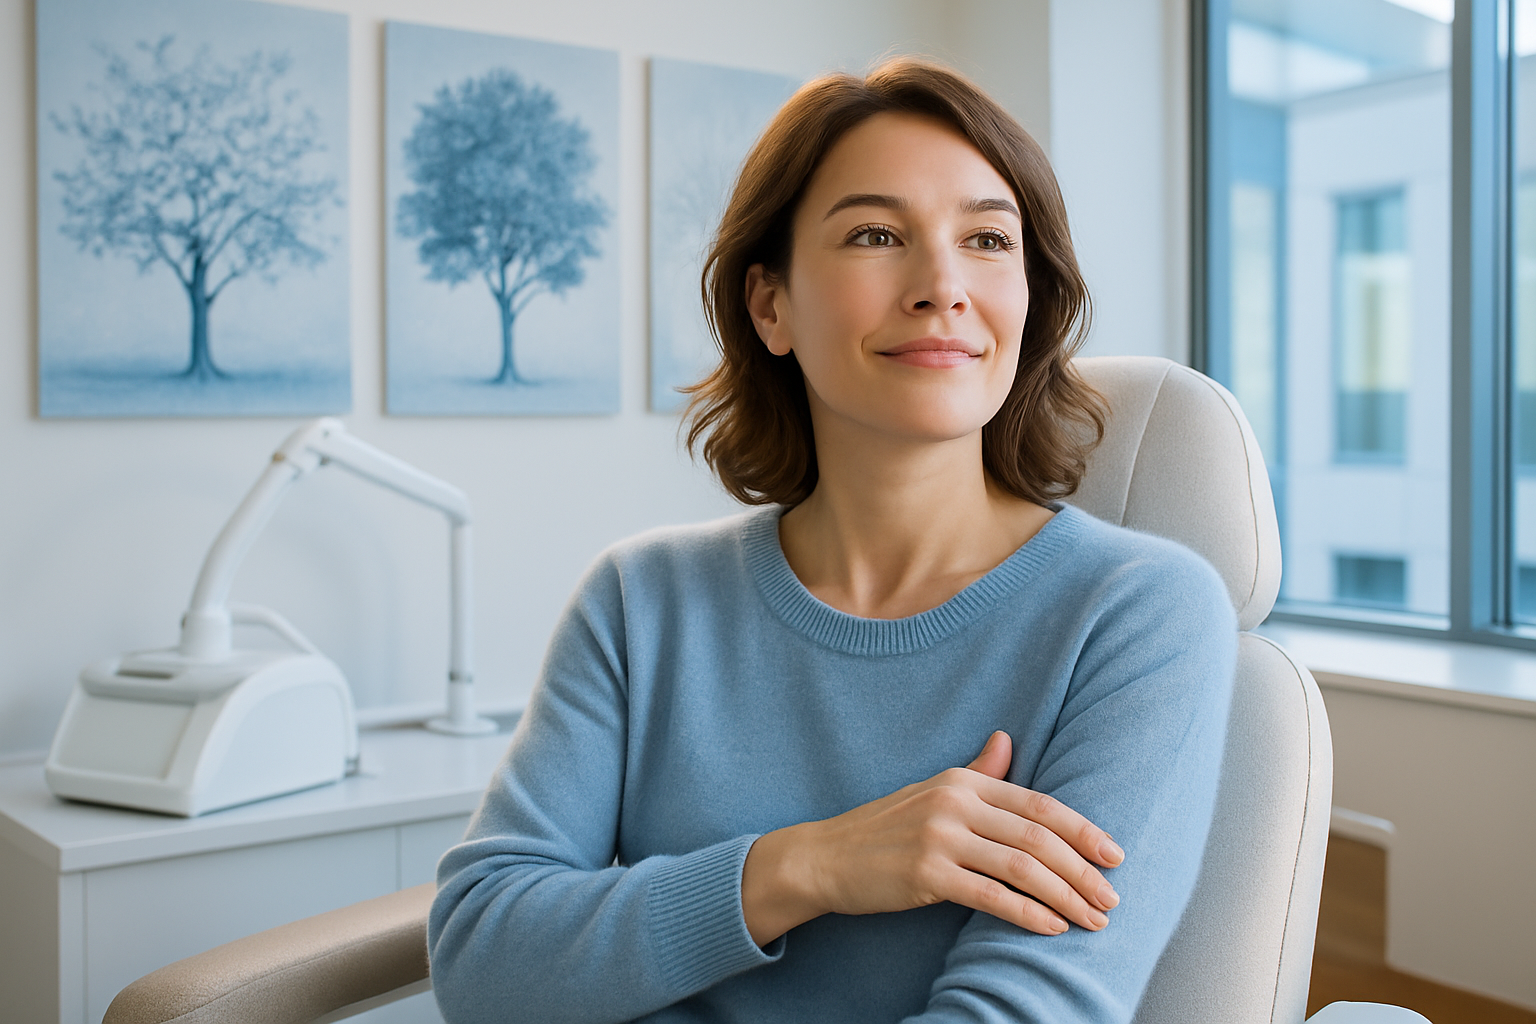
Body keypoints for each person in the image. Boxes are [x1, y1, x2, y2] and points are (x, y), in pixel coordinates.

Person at [429, 58, 1237, 1024]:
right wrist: (808, 865)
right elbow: (482, 962)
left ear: (1031, 298)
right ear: (770, 305)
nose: (943, 286)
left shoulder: (1140, 613)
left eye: (987, 239)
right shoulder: (640, 602)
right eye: (876, 234)